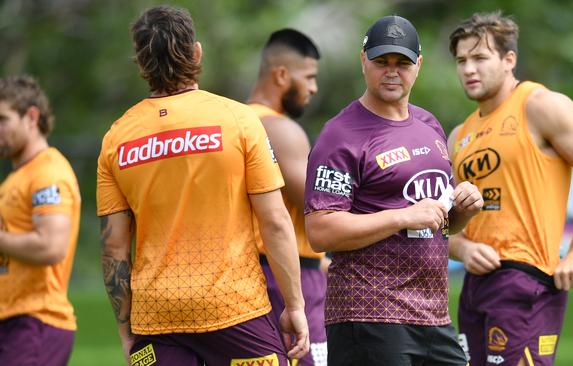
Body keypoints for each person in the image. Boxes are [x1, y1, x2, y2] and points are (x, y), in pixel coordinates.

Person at [96, 6, 309, 365]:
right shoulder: (238, 120)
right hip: (237, 310)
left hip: (156, 318)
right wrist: (295, 305)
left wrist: (125, 328)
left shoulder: (117, 138)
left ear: (142, 64)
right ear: (196, 53)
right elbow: (275, 221)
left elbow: (114, 247)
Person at [447, 11, 573, 366]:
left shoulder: (541, 105)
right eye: (461, 60)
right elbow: (443, 223)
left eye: (480, 58)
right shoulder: (458, 136)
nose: (469, 69)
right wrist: (463, 249)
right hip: (475, 286)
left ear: (509, 60)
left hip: (528, 280)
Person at [304, 15, 483, 366]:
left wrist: (463, 208)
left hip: (433, 316)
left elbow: (441, 223)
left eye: (401, 63)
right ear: (362, 61)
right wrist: (402, 216)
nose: (391, 71)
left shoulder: (428, 123)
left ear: (418, 64)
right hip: (369, 317)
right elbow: (320, 231)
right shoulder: (339, 135)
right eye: (381, 61)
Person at [248, 28, 328, 366]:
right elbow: (323, 203)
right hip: (288, 276)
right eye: (308, 77)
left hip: (254, 273)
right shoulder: (279, 128)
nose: (313, 88)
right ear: (281, 75)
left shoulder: (236, 121)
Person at [0, 75, 81, 365]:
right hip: (13, 319)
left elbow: (51, 247)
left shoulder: (48, 173)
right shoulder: (15, 179)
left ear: (31, 117)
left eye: (3, 119)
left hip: (36, 321)